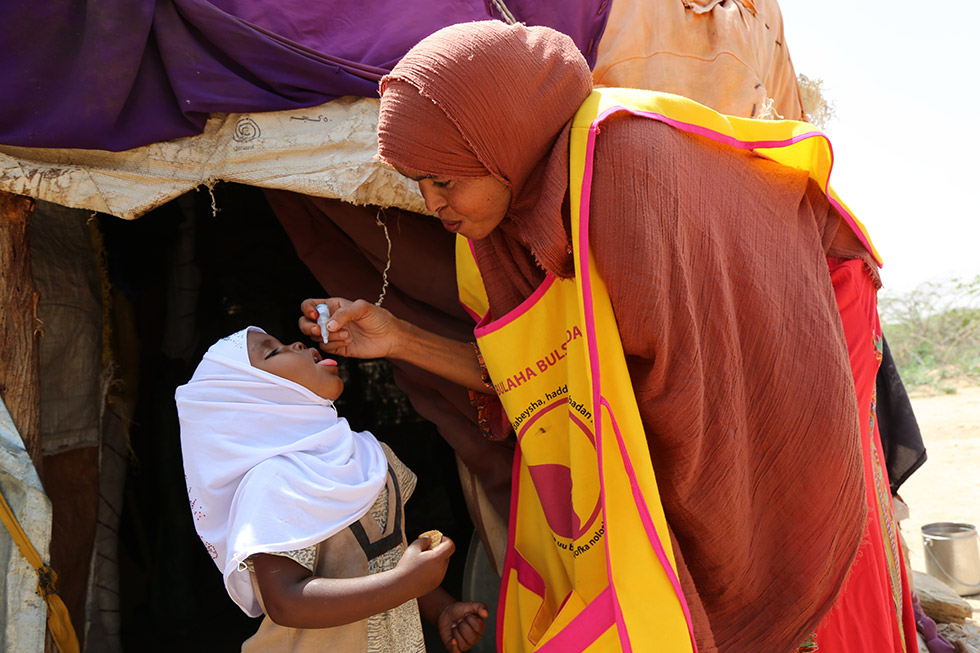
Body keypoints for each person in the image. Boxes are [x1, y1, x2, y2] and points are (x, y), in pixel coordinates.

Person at [298, 20, 915, 653]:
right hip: (658, 416)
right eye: (419, 183)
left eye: (446, 181)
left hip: (775, 386)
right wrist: (397, 337)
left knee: (738, 581)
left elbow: (688, 406)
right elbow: (532, 379)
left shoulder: (628, 176)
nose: (433, 204)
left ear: (501, 137)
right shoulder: (498, 231)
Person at [175, 326, 487, 652]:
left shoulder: (367, 455)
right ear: (252, 397)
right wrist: (404, 584)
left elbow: (389, 558)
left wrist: (440, 608)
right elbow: (285, 603)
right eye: (273, 351)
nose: (297, 343)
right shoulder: (271, 484)